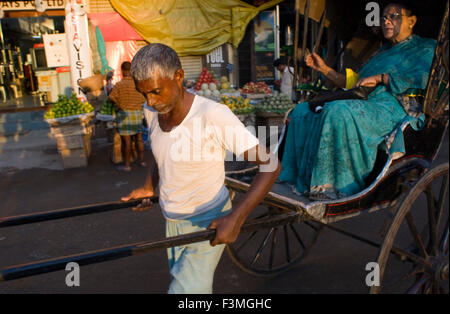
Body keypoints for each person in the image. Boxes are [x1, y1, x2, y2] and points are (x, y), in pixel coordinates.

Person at [121, 43, 280, 293]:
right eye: (144, 94)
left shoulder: (213, 115)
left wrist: (236, 218)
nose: (150, 100)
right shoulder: (152, 110)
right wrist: (148, 187)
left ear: (179, 77)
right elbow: (162, 154)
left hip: (208, 221)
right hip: (172, 220)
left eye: (155, 91)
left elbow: (271, 165)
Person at [278, 2, 436, 200]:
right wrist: (325, 69)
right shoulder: (381, 52)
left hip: (394, 106)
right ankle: (293, 177)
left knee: (338, 111)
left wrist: (383, 79)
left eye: (394, 16)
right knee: (301, 111)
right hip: (365, 100)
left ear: (411, 21)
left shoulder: (426, 49)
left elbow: (424, 78)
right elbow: (356, 82)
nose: (387, 20)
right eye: (384, 16)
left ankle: (334, 186)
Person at [109, 61, 147, 171]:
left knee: (127, 142)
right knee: (139, 140)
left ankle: (127, 165)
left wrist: (118, 104)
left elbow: (111, 98)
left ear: (122, 71)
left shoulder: (119, 85)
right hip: (137, 114)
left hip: (124, 114)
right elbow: (143, 100)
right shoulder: (138, 85)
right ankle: (143, 161)